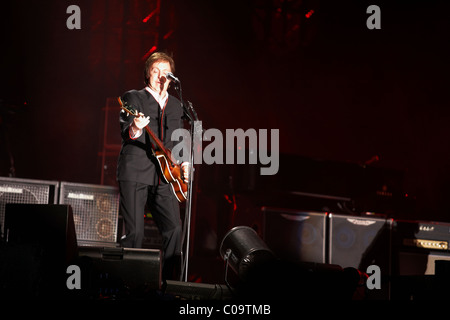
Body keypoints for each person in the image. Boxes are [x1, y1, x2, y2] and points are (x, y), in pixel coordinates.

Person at [116, 52, 189, 281]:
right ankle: (127, 285)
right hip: (135, 169)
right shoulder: (134, 97)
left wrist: (185, 162)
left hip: (166, 175)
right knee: (135, 232)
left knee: (174, 229)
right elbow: (126, 130)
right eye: (155, 71)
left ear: (171, 77)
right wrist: (136, 127)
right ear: (148, 74)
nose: (159, 76)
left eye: (164, 73)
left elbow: (180, 138)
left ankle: (169, 284)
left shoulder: (177, 105)